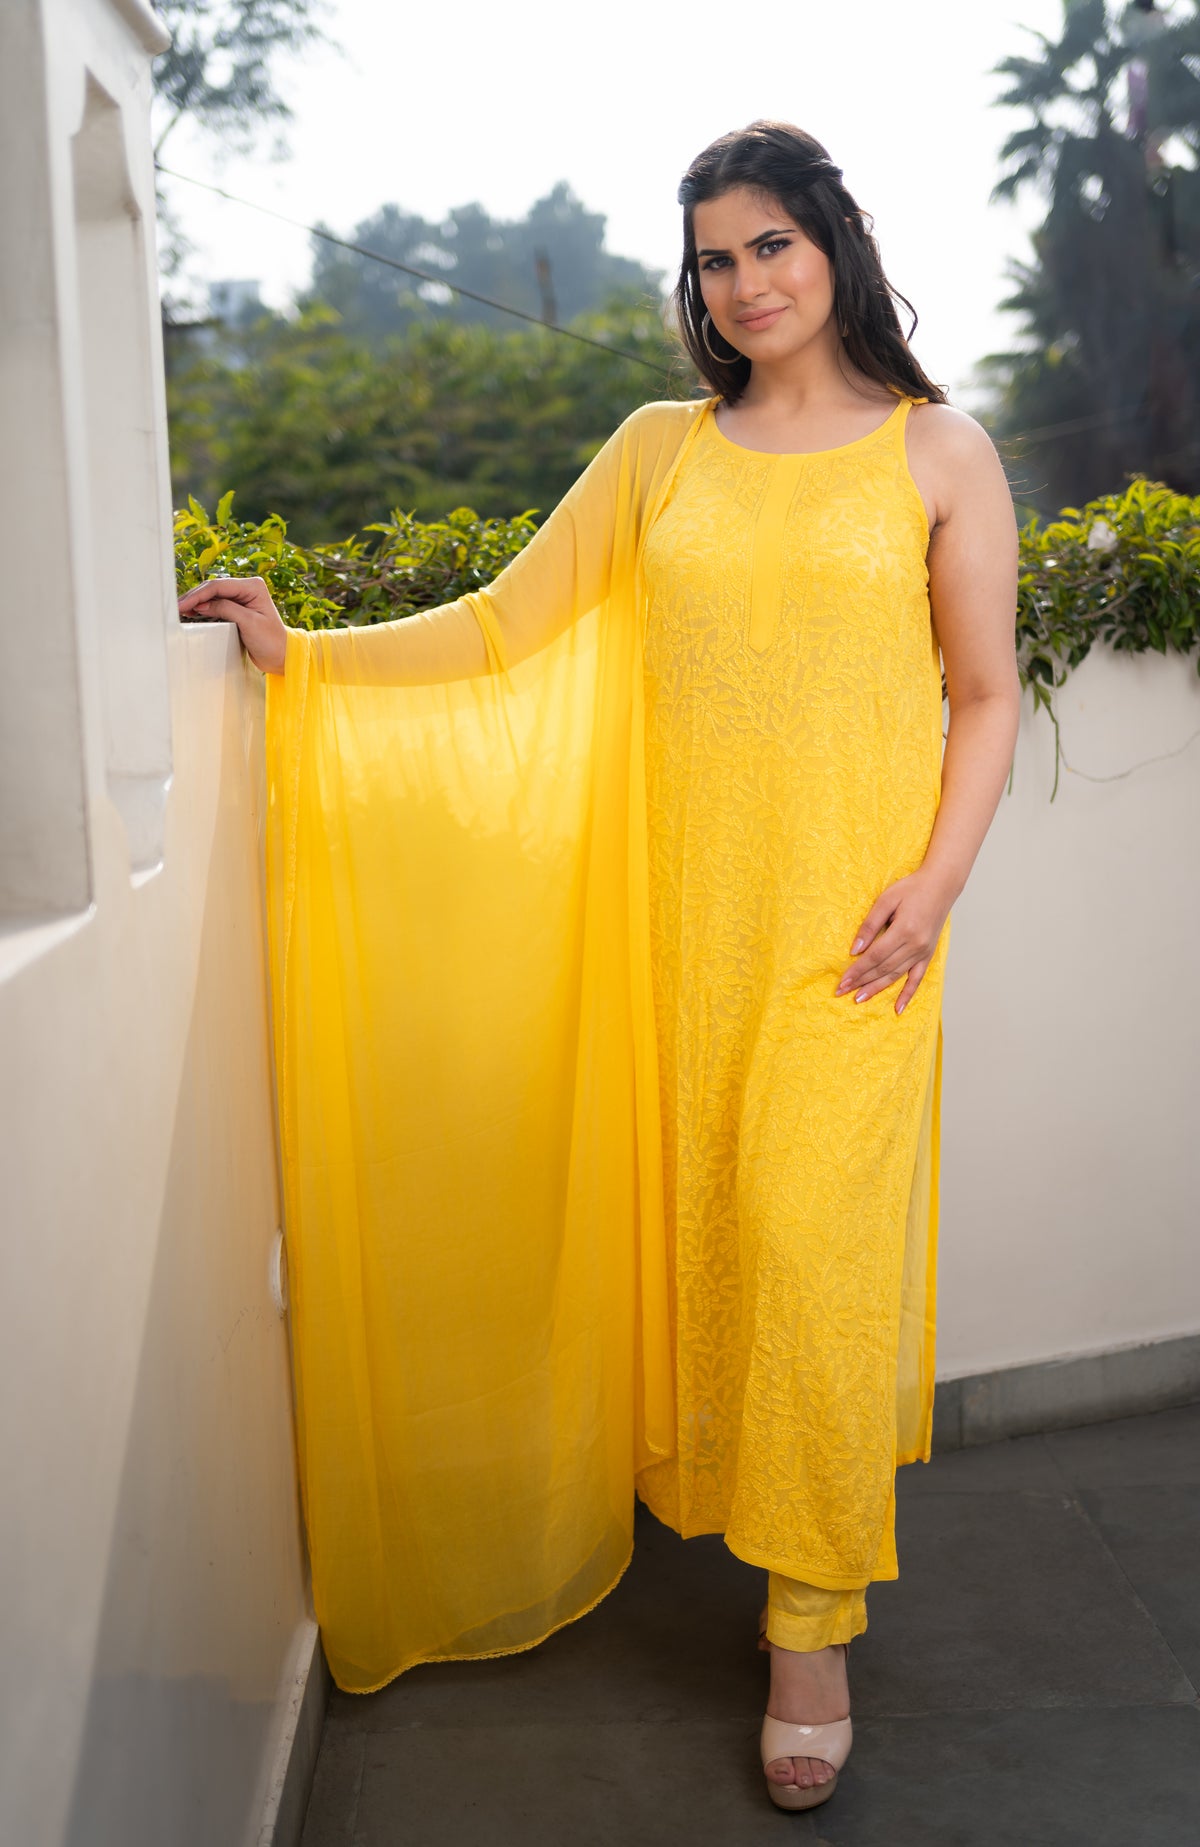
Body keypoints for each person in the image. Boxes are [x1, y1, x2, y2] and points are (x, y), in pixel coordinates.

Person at [179, 120, 1019, 1815]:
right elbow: (507, 621)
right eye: (715, 258)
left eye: (771, 244)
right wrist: (305, 658)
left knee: (810, 1251)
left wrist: (935, 888)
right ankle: (757, 1529)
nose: (746, 282)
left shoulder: (943, 456)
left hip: (858, 936)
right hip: (683, 929)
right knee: (717, 1251)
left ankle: (810, 1628)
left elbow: (985, 694)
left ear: (835, 246)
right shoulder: (660, 453)